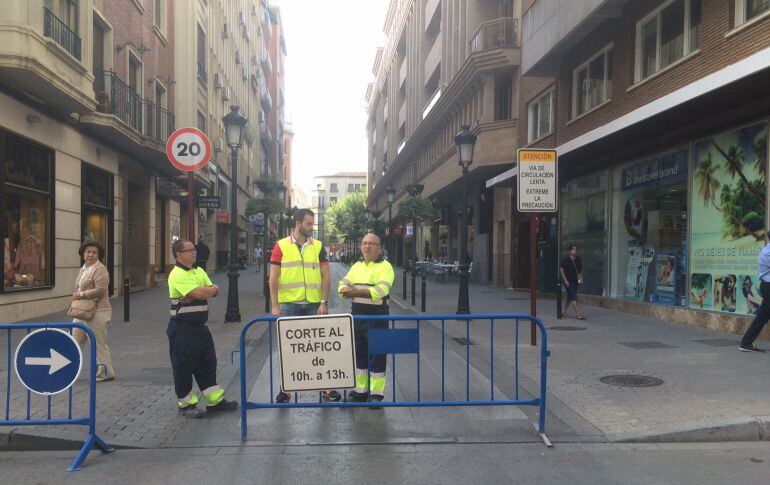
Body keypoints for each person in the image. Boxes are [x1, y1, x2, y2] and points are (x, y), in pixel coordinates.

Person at [269, 208, 339, 403]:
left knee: (320, 348)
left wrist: (324, 302)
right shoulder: (281, 245)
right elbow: (273, 277)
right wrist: (275, 305)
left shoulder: (317, 246)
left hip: (314, 304)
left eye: (313, 224)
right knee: (288, 348)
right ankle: (287, 388)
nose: (312, 227)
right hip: (289, 304)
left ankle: (326, 387)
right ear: (298, 223)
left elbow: (326, 276)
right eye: (309, 224)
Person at [167, 239, 237, 417]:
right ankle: (186, 405)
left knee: (208, 364)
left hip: (200, 328)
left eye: (194, 250)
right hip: (182, 328)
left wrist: (205, 291)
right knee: (183, 367)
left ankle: (214, 401)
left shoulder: (198, 271)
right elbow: (200, 293)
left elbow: (216, 289)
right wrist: (204, 291)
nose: (195, 252)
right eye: (190, 250)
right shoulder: (176, 274)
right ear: (179, 254)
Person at [338, 233, 394, 407]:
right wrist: (359, 291)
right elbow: (342, 287)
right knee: (359, 354)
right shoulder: (356, 266)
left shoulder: (386, 267)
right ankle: (360, 391)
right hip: (358, 315)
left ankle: (376, 394)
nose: (367, 246)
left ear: (379, 247)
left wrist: (354, 291)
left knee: (378, 355)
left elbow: (381, 291)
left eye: (371, 243)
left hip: (377, 316)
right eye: (364, 243)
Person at [71, 240, 114, 382]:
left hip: (98, 312)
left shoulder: (100, 269)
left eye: (94, 252)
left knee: (97, 343)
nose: (90, 254)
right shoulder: (83, 269)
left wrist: (82, 295)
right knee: (73, 341)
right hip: (82, 311)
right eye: (88, 251)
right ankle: (66, 369)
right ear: (83, 253)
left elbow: (101, 291)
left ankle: (105, 372)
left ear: (98, 255)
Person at [739, 240, 770, 352]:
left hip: (766, 286)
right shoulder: (768, 252)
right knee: (762, 317)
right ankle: (746, 343)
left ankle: (746, 343)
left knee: (762, 317)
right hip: (768, 286)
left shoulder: (766, 250)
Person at [560, 244, 585, 320]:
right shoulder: (566, 260)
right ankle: (578, 313)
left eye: (576, 249)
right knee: (573, 297)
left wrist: (579, 275)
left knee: (569, 296)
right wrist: (565, 280)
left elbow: (580, 269)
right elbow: (561, 269)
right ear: (570, 251)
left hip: (575, 281)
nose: (575, 251)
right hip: (568, 281)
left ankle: (563, 311)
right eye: (573, 249)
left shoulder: (578, 259)